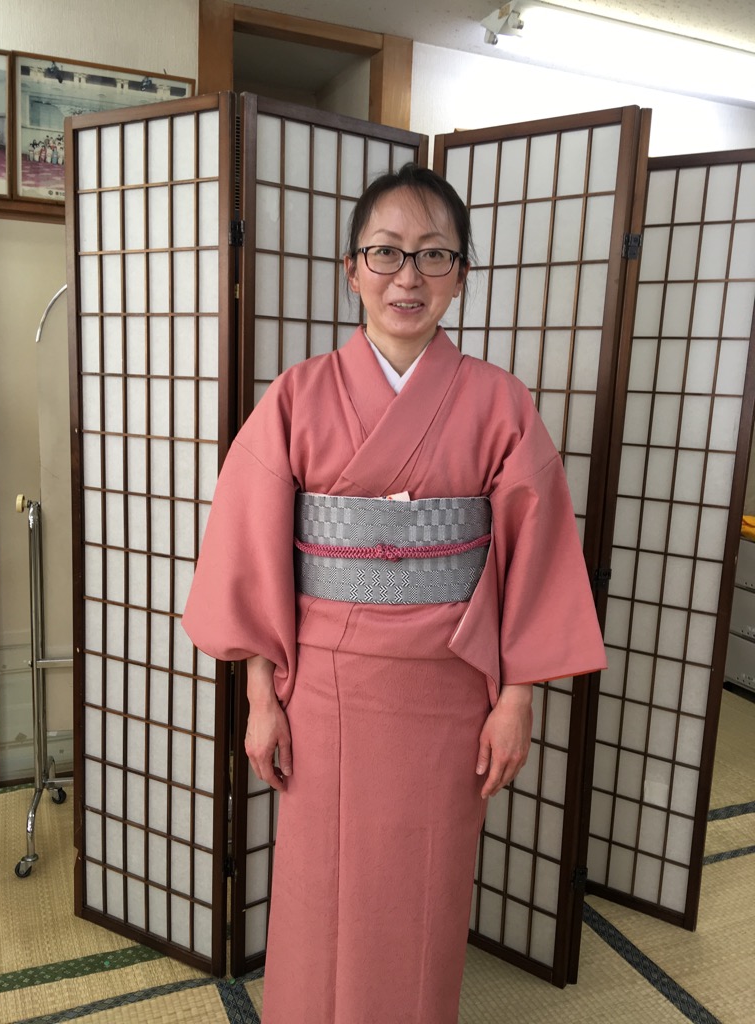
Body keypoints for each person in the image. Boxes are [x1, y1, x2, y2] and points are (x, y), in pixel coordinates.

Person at [182, 163, 606, 1024]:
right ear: (353, 269)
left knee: (425, 889)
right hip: (323, 688)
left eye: (433, 254)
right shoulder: (298, 395)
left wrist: (516, 699)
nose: (407, 276)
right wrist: (260, 699)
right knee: (318, 888)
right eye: (386, 252)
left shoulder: (500, 403)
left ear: (461, 274)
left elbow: (538, 560)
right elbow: (253, 557)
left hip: (448, 691)